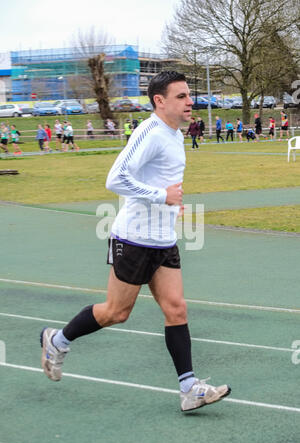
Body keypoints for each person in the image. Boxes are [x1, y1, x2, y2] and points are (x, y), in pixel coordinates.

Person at [40, 70, 231, 413]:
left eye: (190, 95)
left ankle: (189, 389)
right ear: (160, 101)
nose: (191, 102)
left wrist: (171, 202)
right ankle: (57, 341)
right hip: (134, 239)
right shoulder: (151, 133)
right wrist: (162, 196)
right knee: (116, 312)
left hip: (163, 239)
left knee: (177, 309)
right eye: (182, 97)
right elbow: (115, 179)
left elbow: (161, 181)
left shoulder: (175, 133)